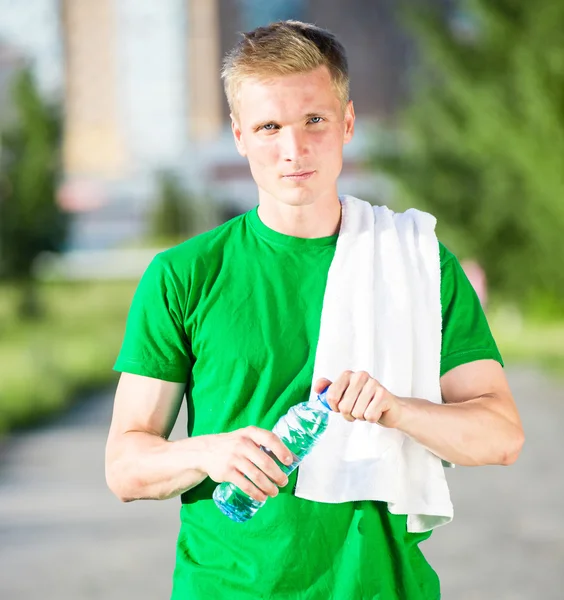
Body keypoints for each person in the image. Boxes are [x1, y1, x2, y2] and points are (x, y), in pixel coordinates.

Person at [105, 20, 524, 600]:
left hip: (380, 585)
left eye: (314, 121)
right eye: (269, 126)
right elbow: (126, 466)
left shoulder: (417, 261)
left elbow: (501, 436)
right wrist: (210, 452)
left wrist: (398, 410)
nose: (293, 150)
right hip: (227, 587)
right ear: (238, 135)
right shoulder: (183, 274)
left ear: (347, 122)